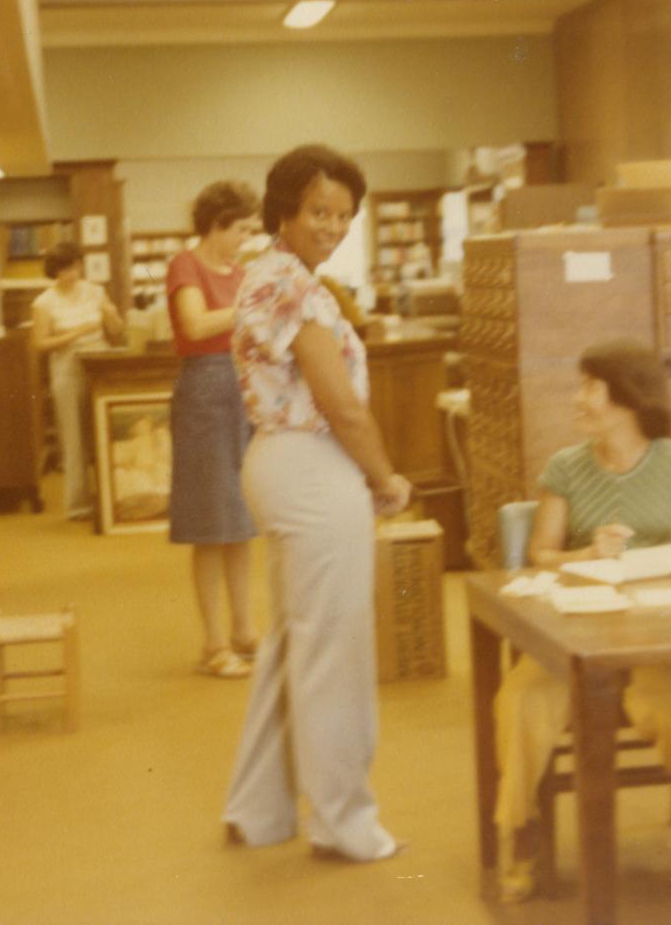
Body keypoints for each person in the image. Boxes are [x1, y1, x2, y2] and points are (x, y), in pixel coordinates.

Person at [495, 339, 671, 902]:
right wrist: (588, 555)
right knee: (521, 700)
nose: (578, 399)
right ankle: (520, 832)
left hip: (660, 636)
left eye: (589, 388)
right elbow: (541, 555)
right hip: (573, 634)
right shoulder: (566, 468)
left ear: (626, 399)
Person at [221, 144, 411, 863]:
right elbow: (342, 405)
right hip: (312, 467)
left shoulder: (271, 275)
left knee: (295, 642)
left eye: (343, 214)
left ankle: (258, 806)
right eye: (317, 212)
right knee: (334, 649)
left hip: (280, 462)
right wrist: (387, 478)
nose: (331, 226)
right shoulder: (293, 287)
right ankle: (342, 821)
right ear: (283, 213)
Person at [167, 180, 264, 679]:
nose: (245, 240)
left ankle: (245, 630)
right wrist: (252, 308)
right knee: (210, 522)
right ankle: (213, 642)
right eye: (241, 229)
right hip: (204, 391)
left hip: (240, 389)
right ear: (217, 223)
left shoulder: (242, 273)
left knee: (241, 521)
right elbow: (195, 325)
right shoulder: (185, 265)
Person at [30, 241, 123, 521]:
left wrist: (111, 315)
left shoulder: (96, 292)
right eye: (64, 269)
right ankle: (79, 505)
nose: (71, 274)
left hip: (99, 363)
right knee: (73, 438)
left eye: (74, 267)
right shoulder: (44, 302)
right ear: (54, 272)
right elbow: (40, 343)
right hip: (67, 367)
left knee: (103, 431)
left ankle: (110, 500)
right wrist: (79, 331)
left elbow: (116, 332)